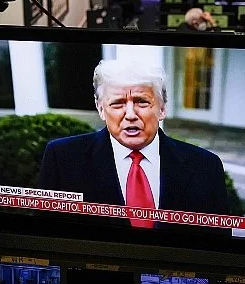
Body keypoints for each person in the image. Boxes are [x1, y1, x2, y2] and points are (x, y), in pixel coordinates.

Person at [37, 59, 229, 228]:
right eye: (118, 103)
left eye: (141, 102)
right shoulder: (62, 159)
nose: (130, 114)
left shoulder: (206, 166)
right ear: (101, 109)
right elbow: (47, 239)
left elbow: (218, 251)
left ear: (162, 109)